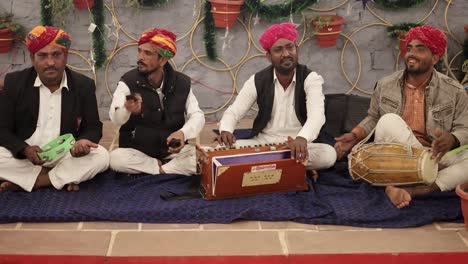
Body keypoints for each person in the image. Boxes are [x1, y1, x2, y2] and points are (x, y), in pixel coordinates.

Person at [334, 25, 468, 208]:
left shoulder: (454, 91)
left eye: (420, 49)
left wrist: (451, 140)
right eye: (409, 48)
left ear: (435, 57)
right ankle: (427, 173)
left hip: (434, 153)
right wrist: (355, 135)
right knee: (389, 120)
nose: (411, 54)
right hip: (399, 152)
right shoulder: (385, 84)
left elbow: (464, 128)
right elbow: (373, 117)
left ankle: (412, 189)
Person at [216, 23, 337, 175]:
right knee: (219, 150)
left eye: (290, 47)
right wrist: (226, 130)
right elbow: (234, 111)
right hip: (264, 144)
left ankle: (264, 167)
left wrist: (302, 138)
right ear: (269, 56)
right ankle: (290, 167)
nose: (286, 54)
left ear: (296, 50)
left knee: (328, 155)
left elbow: (317, 116)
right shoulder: (258, 80)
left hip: (299, 145)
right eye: (278, 50)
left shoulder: (310, 79)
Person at [0, 26, 109, 192]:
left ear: (65, 57)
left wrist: (83, 141)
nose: (50, 62)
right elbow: (3, 129)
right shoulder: (15, 82)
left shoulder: (83, 85)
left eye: (56, 55)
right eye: (42, 56)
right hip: (27, 155)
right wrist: (23, 149)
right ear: (32, 58)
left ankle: (38, 181)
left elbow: (93, 126)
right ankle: (60, 176)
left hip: (66, 154)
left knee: (102, 156)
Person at [109, 28, 205, 176]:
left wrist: (182, 133)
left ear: (162, 60)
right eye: (139, 51)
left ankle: (161, 169)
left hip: (172, 152)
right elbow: (115, 119)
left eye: (147, 53)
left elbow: (197, 115)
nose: (140, 57)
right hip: (138, 152)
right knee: (115, 159)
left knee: (204, 157)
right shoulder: (128, 82)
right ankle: (163, 168)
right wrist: (125, 109)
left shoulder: (181, 82)